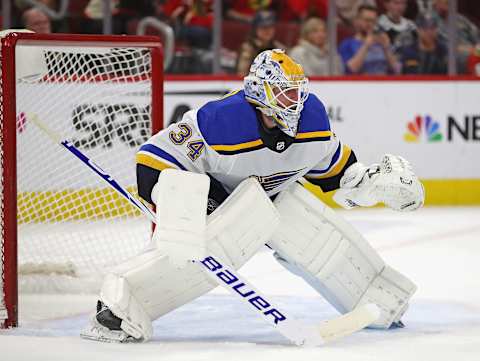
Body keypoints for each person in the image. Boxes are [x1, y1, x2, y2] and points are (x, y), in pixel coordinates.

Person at [81, 49, 423, 343]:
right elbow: (154, 159)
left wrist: (372, 184)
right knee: (215, 240)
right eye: (284, 93)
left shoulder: (314, 122)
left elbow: (338, 172)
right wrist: (183, 206)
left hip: (270, 195)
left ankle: (379, 299)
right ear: (261, 92)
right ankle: (118, 309)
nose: (295, 102)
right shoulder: (221, 122)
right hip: (215, 195)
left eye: (296, 93)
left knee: (305, 226)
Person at [338, 5, 400, 74]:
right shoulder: (347, 44)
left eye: (373, 21)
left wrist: (386, 48)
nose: (370, 24)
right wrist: (366, 46)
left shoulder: (383, 42)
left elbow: (397, 70)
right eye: (367, 20)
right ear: (357, 20)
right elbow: (350, 70)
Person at [428, 0, 480, 73]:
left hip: (474, 55)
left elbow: (477, 37)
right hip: (448, 58)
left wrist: (476, 50)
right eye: (443, 1)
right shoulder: (429, 21)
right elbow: (438, 46)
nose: (446, 2)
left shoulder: (461, 20)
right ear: (435, 2)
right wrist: (466, 49)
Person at [236, 10, 285, 76]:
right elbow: (241, 74)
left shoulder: (279, 48)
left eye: (270, 27)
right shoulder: (248, 48)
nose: (267, 30)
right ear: (255, 29)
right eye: (263, 27)